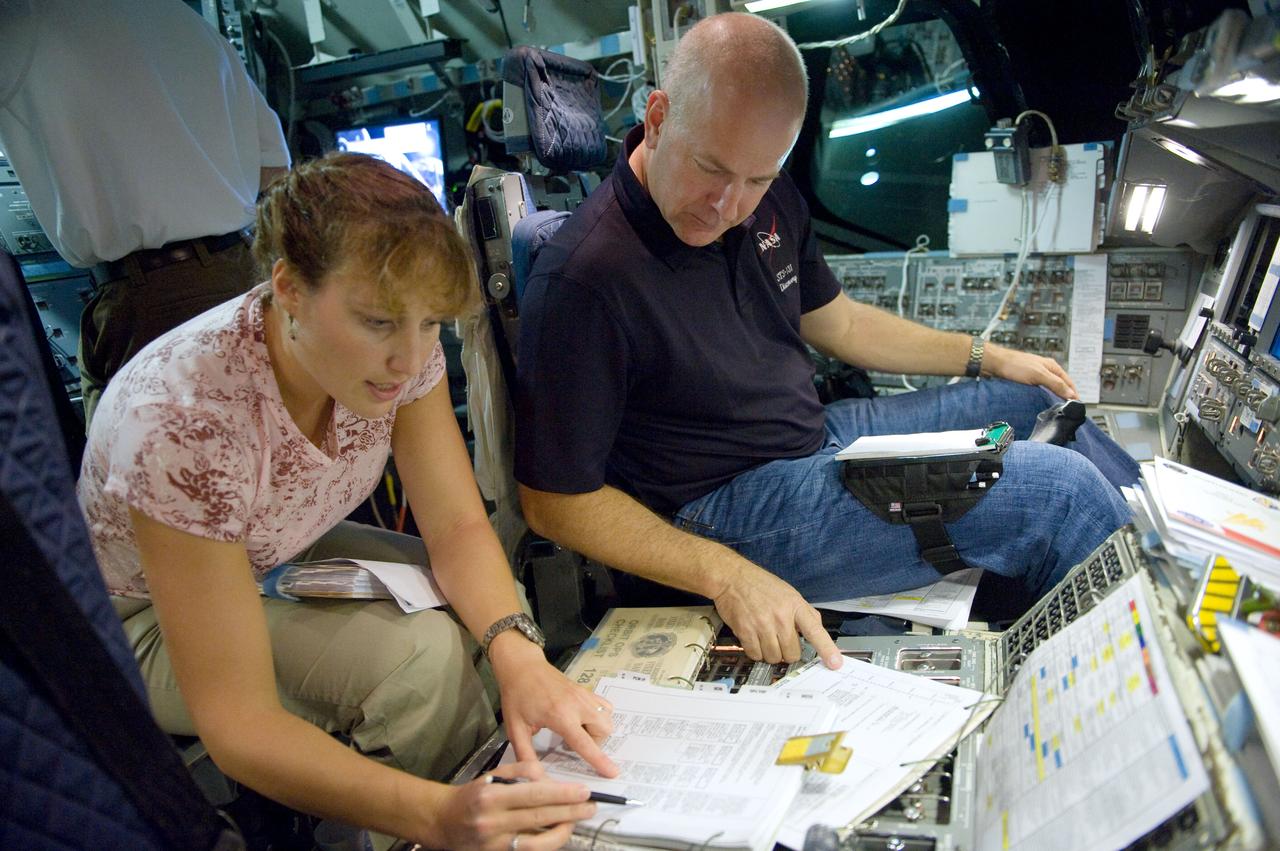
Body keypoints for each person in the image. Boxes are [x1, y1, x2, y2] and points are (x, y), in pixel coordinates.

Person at [514, 12, 1139, 669]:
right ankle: (1150, 676)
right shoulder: (584, 279)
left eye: (756, 179)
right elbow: (554, 502)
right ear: (660, 117)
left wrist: (986, 355)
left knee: (1037, 402)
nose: (728, 206)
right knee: (1055, 492)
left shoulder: (764, 195)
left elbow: (841, 324)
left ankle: (1156, 548)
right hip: (723, 507)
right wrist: (725, 573)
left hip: (814, 436)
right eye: (711, 168)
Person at [78, 152, 617, 849]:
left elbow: (457, 525)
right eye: (377, 322)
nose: (409, 358)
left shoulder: (400, 346)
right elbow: (240, 723)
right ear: (289, 289)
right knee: (416, 664)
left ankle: (514, 793)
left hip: (268, 545)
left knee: (493, 608)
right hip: (136, 614)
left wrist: (523, 662)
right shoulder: (186, 420)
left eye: (430, 323)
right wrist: (438, 815)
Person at [0, 0, 291, 425]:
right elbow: (274, 170)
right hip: (243, 275)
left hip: (156, 298)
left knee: (149, 462)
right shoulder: (186, 20)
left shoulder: (21, 20)